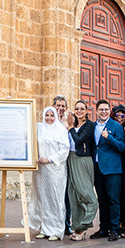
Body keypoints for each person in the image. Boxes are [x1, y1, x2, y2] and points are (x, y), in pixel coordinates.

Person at [28, 106, 69, 240]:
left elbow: (64, 149)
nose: (49, 118)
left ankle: (56, 230)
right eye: (47, 115)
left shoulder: (60, 129)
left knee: (55, 198)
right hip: (41, 169)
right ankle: (45, 228)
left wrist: (50, 159)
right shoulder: (39, 128)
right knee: (42, 198)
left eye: (52, 115)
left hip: (55, 168)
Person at [90, 99, 125, 242]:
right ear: (97, 111)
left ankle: (114, 229)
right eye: (101, 109)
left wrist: (108, 137)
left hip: (112, 169)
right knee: (102, 200)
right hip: (97, 168)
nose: (103, 112)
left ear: (109, 111)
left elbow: (121, 146)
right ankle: (103, 228)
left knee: (113, 200)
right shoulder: (92, 126)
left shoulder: (116, 126)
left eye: (106, 109)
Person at [66, 100, 97, 241]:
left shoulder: (89, 125)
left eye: (82, 109)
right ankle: (78, 228)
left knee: (87, 195)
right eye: (77, 108)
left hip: (83, 160)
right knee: (73, 196)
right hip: (71, 159)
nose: (79, 111)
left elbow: (79, 140)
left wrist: (70, 127)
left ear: (86, 111)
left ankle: (85, 223)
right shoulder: (74, 125)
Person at [110, 105, 125, 237]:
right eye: (117, 115)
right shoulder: (111, 128)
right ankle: (115, 223)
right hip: (114, 166)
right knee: (115, 196)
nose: (120, 118)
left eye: (123, 115)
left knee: (124, 196)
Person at [53, 94, 72, 236]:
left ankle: (66, 224)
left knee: (66, 195)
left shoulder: (70, 121)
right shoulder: (48, 119)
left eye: (62, 106)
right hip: (52, 163)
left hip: (67, 162)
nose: (60, 108)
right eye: (58, 105)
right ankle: (51, 224)